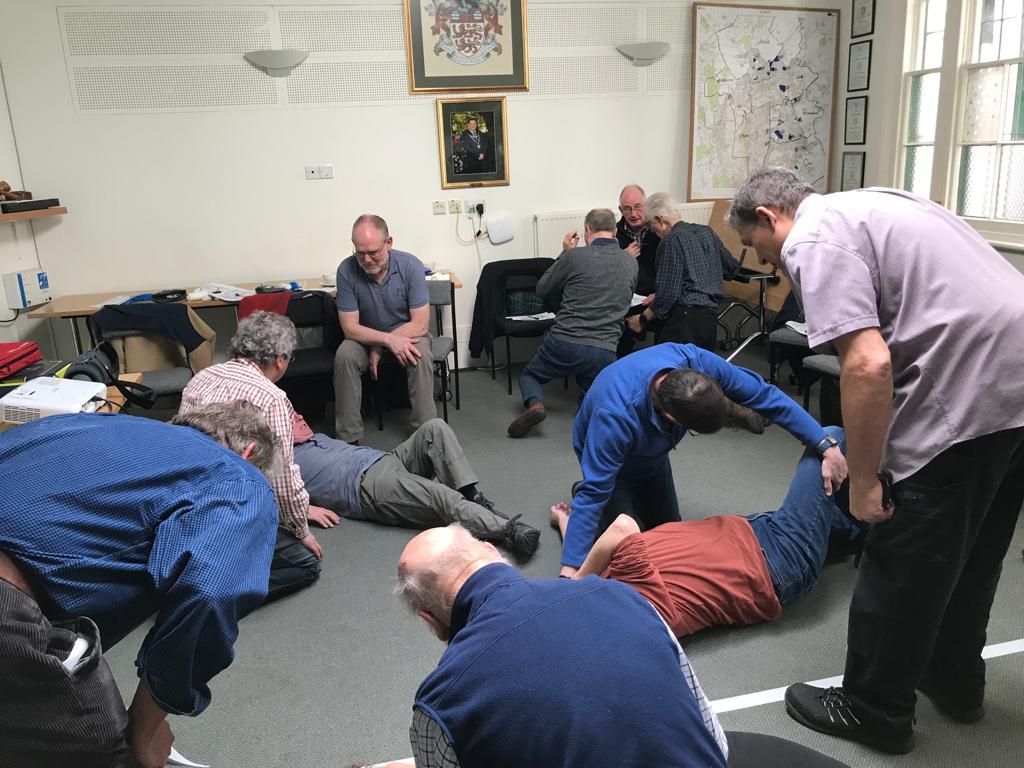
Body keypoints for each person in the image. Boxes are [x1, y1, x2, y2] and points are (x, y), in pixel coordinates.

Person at [727, 168, 1024, 754]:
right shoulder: (876, 203)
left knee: (902, 552)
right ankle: (956, 681)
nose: (761, 259)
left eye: (752, 243)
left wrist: (864, 482)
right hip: (1015, 383)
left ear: (768, 216)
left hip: (964, 386)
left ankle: (875, 710)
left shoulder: (812, 238)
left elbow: (866, 364)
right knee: (973, 549)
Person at [0, 403, 280, 768]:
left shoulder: (81, 423)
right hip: (8, 599)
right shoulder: (238, 477)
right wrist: (147, 730)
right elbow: (209, 593)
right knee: (111, 753)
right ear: (249, 452)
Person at [184, 312, 540, 558]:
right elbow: (276, 478)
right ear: (279, 359)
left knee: (434, 428)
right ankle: (507, 530)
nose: (297, 416)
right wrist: (300, 516)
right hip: (366, 488)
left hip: (376, 459)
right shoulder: (271, 411)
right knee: (443, 499)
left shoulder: (203, 380)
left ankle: (475, 499)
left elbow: (192, 442)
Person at [395, 523, 730, 767]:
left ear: (431, 620)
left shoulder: (444, 702)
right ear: (492, 551)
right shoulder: (625, 596)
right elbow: (715, 741)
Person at [562, 343, 848, 577]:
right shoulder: (614, 417)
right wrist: (569, 571)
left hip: (654, 456)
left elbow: (763, 394)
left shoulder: (697, 362)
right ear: (672, 418)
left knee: (671, 540)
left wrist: (824, 443)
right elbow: (595, 492)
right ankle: (578, 510)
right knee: (628, 553)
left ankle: (615, 501)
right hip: (613, 463)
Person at [552, 426, 863, 637]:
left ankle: (860, 529)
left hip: (752, 532)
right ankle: (872, 500)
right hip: (779, 560)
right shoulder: (641, 611)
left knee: (837, 521)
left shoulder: (607, 585)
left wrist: (565, 523)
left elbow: (585, 566)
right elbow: (622, 527)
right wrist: (574, 586)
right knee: (830, 440)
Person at [506, 208, 637, 438]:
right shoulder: (630, 262)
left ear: (587, 230)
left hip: (564, 341)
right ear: (615, 232)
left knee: (530, 376)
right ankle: (587, 416)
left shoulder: (574, 257)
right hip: (604, 347)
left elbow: (542, 289)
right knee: (592, 384)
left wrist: (565, 253)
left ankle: (535, 405)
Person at [334, 214, 434, 444]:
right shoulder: (346, 270)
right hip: (364, 338)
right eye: (360, 252)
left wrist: (381, 345)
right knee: (345, 355)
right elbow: (350, 328)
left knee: (420, 353)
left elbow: (420, 324)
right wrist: (385, 341)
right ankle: (348, 439)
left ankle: (426, 435)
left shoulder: (411, 266)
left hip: (408, 333)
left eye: (373, 252)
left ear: (389, 243)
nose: (367, 259)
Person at [627, 192, 739, 351]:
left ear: (660, 220)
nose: (652, 231)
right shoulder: (707, 232)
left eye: (651, 225)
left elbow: (667, 295)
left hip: (683, 321)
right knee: (700, 364)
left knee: (672, 365)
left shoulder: (670, 241)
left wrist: (642, 319)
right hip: (710, 318)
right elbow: (731, 268)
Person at [615, 183, 661, 356]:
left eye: (637, 207)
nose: (633, 214)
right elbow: (605, 272)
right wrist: (623, 258)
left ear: (646, 206)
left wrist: (660, 293)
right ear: (620, 210)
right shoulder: (613, 234)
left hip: (654, 295)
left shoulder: (659, 231)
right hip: (626, 297)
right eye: (627, 209)